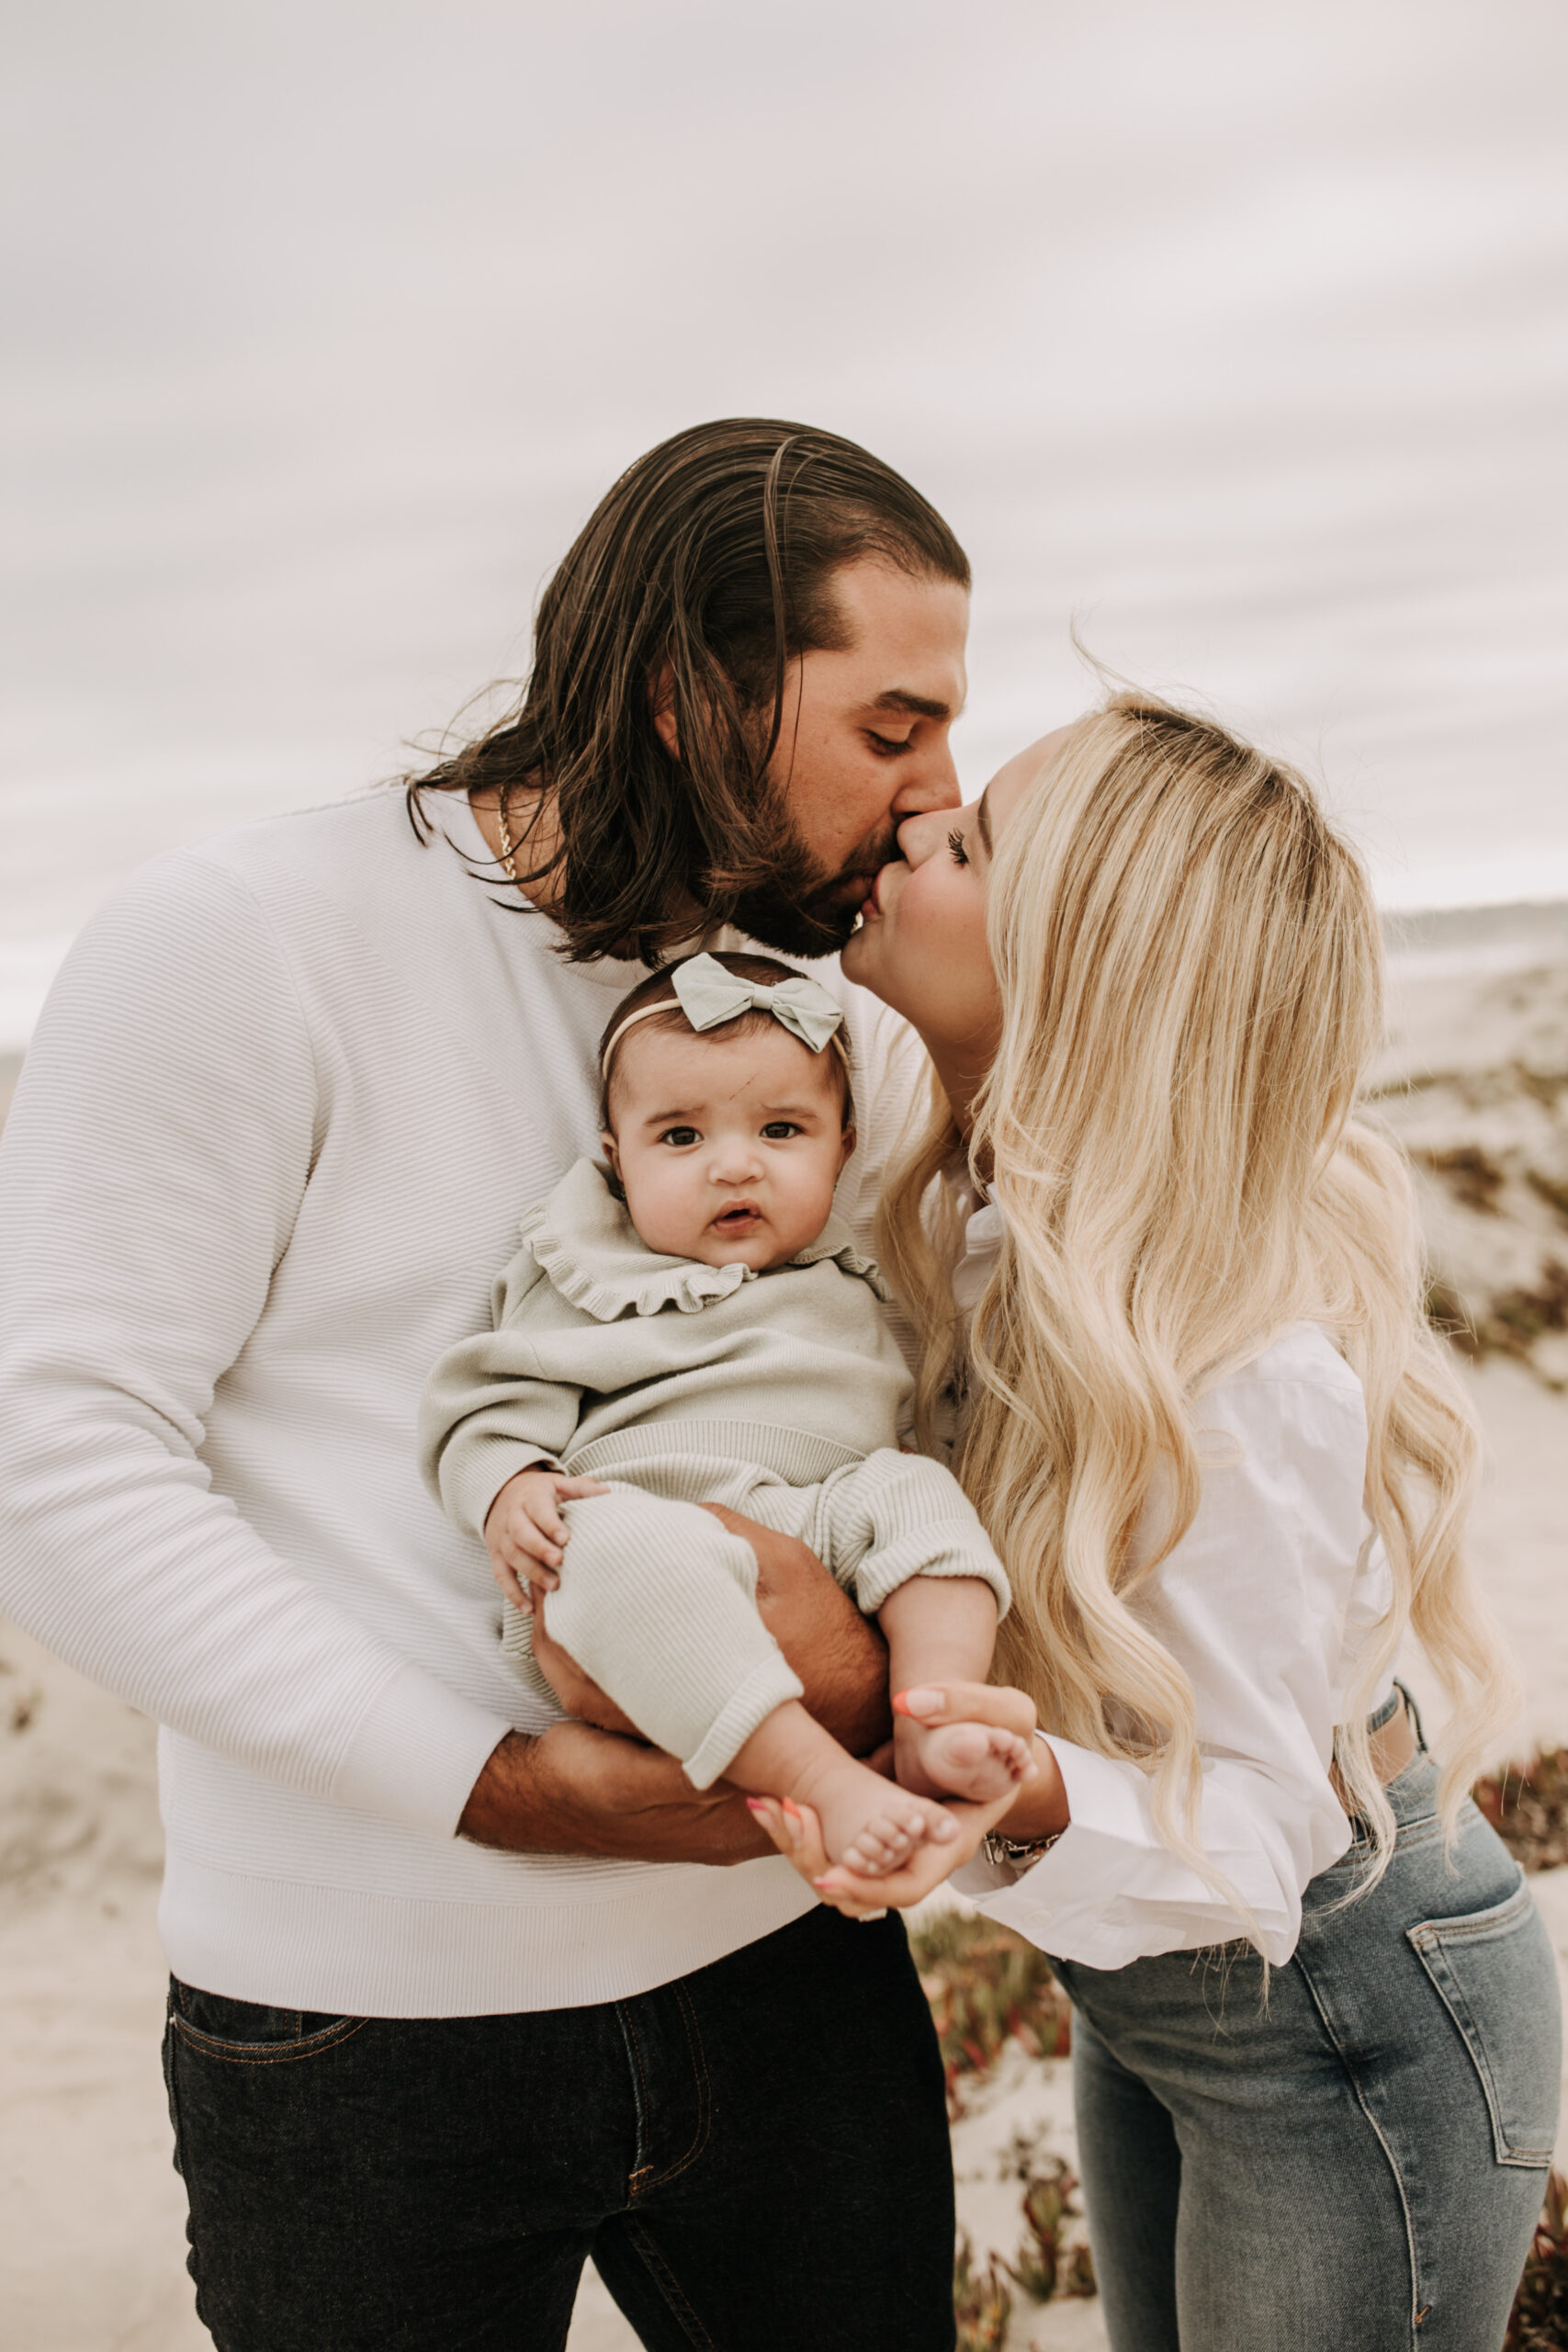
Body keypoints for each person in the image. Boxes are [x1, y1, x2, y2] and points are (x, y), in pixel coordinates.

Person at [0, 420, 1001, 2351]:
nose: (935, 792)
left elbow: (947, 1402)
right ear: (689, 688)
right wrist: (495, 1787)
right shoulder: (241, 940)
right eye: (891, 728)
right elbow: (53, 1459)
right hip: (364, 2022)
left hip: (785, 1965)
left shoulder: (806, 1013)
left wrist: (970, 1063)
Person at [754, 693, 1562, 2352]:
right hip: (1146, 2000)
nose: (913, 830)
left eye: (969, 844)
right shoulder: (981, 1205)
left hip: (1338, 2017)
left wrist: (1039, 1794)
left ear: (1083, 978)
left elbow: (1270, 1834)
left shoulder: (1235, 1378)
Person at [420, 948, 1034, 1876]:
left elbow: (926, 1409)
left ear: (845, 1145)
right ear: (616, 1160)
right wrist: (511, 1484)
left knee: (917, 1490)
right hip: (645, 1533)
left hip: (817, 1513)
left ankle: (936, 1712)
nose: (734, 1166)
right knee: (606, 1546)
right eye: (680, 1138)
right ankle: (819, 1777)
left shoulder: (862, 1276)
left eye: (782, 1129)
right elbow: (485, 1394)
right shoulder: (587, 1272)